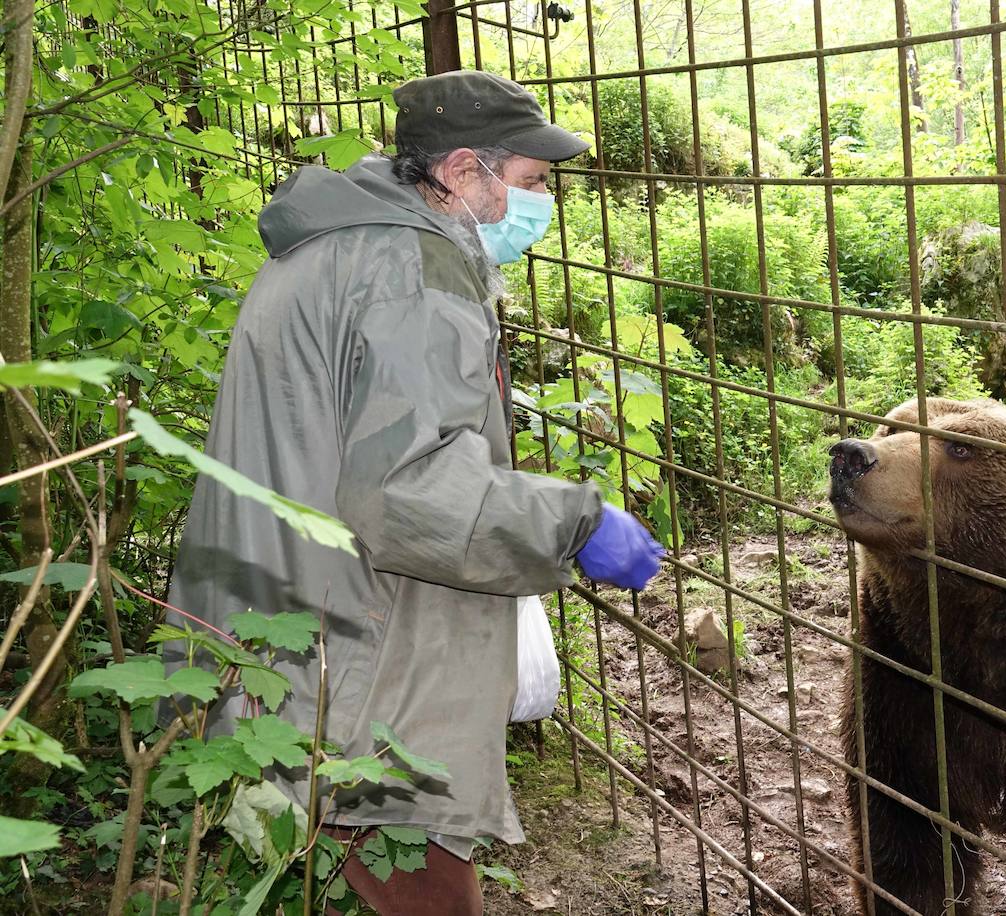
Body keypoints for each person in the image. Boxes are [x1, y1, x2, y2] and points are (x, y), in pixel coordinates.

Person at [166, 70, 665, 915]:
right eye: (534, 183)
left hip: (290, 603)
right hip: (354, 635)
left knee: (348, 852)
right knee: (408, 850)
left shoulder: (339, 244)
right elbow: (407, 490)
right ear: (465, 170)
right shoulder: (410, 269)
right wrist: (576, 522)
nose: (544, 205)